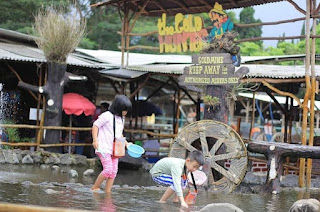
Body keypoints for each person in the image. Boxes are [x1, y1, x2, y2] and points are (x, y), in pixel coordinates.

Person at [91, 95, 132, 193]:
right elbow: (95, 126)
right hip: (103, 147)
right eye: (124, 110)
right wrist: (95, 140)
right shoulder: (106, 116)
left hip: (115, 148)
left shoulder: (122, 119)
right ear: (118, 107)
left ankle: (107, 192)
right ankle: (95, 188)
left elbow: (119, 134)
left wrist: (126, 143)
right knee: (108, 169)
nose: (125, 112)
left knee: (113, 172)